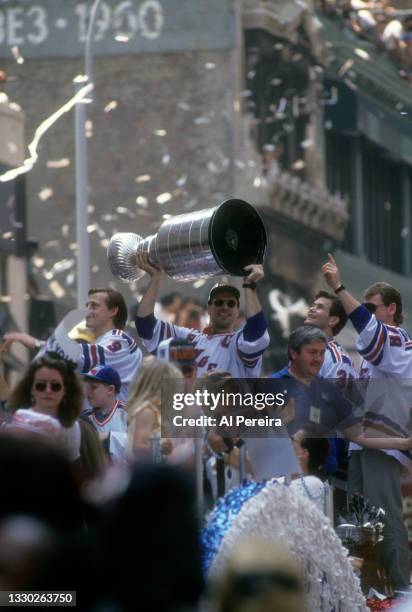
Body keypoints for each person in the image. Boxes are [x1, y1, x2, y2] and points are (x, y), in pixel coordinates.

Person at [321, 253, 412, 592]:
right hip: (362, 444)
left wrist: (338, 287)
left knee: (384, 519)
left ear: (391, 309)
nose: (368, 315)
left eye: (373, 308)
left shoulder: (400, 340)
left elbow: (370, 332)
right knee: (360, 523)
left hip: (384, 446)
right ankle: (371, 588)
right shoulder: (378, 349)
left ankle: (403, 591)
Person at [135, 252, 269, 378]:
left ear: (237, 311)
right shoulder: (190, 339)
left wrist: (249, 285)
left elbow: (256, 331)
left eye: (231, 304)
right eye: (219, 302)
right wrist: (155, 278)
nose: (225, 306)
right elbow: (146, 327)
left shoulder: (238, 343)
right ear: (209, 308)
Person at [5, 288, 142, 403]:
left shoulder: (120, 341)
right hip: (98, 424)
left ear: (113, 311)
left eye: (94, 306)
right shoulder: (105, 342)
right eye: (87, 306)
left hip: (113, 428)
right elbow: (67, 351)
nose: (87, 311)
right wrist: (35, 343)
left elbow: (76, 356)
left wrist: (59, 333)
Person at [6, 354, 83, 461]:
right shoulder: (17, 417)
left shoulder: (72, 427)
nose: (48, 390)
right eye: (41, 385)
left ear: (65, 390)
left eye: (55, 386)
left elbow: (71, 465)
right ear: (31, 389)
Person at [125, 356, 183, 462]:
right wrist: (163, 447)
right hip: (144, 474)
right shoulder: (147, 411)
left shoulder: (153, 411)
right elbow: (138, 447)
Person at [304, 290, 357, 380]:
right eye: (313, 305)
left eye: (319, 307)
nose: (312, 309)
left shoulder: (337, 361)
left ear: (333, 320)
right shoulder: (300, 350)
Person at [83, 365, 128, 461]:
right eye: (87, 387)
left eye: (93, 387)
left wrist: (110, 437)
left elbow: (142, 444)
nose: (88, 393)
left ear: (110, 389)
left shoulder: (130, 413)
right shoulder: (82, 418)